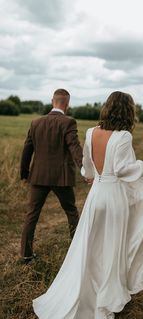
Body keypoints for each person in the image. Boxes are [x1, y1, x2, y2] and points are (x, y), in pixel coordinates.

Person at [33, 91, 143, 319]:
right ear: (127, 111)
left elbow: (86, 170)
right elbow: (123, 170)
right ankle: (107, 295)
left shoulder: (91, 132)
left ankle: (87, 290)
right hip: (113, 199)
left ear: (106, 108)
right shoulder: (123, 136)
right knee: (111, 246)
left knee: (91, 245)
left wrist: (93, 176)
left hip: (96, 196)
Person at [20, 89, 83, 263]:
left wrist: (24, 174)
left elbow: (27, 150)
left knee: (31, 214)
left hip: (38, 176)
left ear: (52, 101)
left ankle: (26, 255)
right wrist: (85, 169)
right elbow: (75, 147)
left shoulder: (36, 122)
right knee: (71, 212)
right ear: (67, 104)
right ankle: (78, 253)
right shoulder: (68, 122)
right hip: (61, 177)